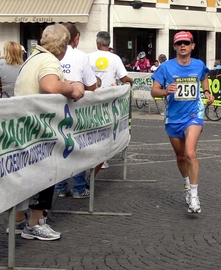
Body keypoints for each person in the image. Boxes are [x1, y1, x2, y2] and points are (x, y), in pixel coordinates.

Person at [13, 23, 85, 241]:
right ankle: (35, 223)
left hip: (24, 126)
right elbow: (50, 86)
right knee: (47, 173)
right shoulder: (49, 60)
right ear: (63, 46)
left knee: (25, 176)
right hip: (39, 129)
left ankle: (17, 221)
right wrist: (72, 89)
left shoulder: (34, 57)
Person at [150, 31, 214, 214]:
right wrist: (165, 91)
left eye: (186, 43)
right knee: (180, 156)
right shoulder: (166, 68)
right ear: (174, 47)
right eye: (179, 44)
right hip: (173, 118)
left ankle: (194, 195)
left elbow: (204, 77)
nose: (183, 46)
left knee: (190, 153)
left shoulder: (199, 65)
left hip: (194, 114)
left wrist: (207, 92)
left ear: (193, 45)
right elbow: (154, 91)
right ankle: (187, 185)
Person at [55, 22, 99, 200]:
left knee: (59, 148)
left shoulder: (50, 55)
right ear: (77, 37)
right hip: (78, 109)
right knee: (80, 147)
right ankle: (79, 188)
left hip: (54, 109)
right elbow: (91, 85)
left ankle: (60, 186)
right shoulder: (81, 56)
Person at [88, 31, 133, 174]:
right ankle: (101, 159)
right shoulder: (115, 58)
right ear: (109, 43)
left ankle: (89, 159)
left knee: (90, 131)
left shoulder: (88, 57)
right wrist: (131, 81)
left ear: (98, 42)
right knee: (106, 132)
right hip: (109, 101)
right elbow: (124, 78)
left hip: (92, 99)